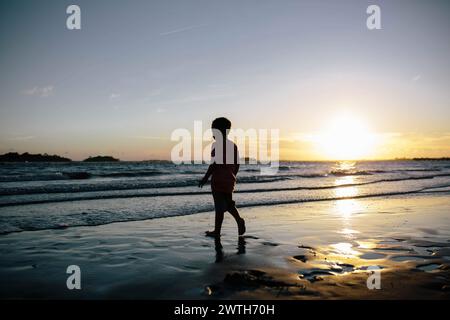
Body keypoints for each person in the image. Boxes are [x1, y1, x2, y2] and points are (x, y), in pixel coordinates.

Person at [198, 117, 246, 238]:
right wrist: (233, 175)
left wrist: (205, 178)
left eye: (214, 130)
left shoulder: (216, 146)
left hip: (218, 180)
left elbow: (214, 164)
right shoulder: (233, 145)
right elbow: (237, 163)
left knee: (219, 207)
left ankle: (217, 231)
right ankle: (239, 220)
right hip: (229, 180)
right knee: (229, 204)